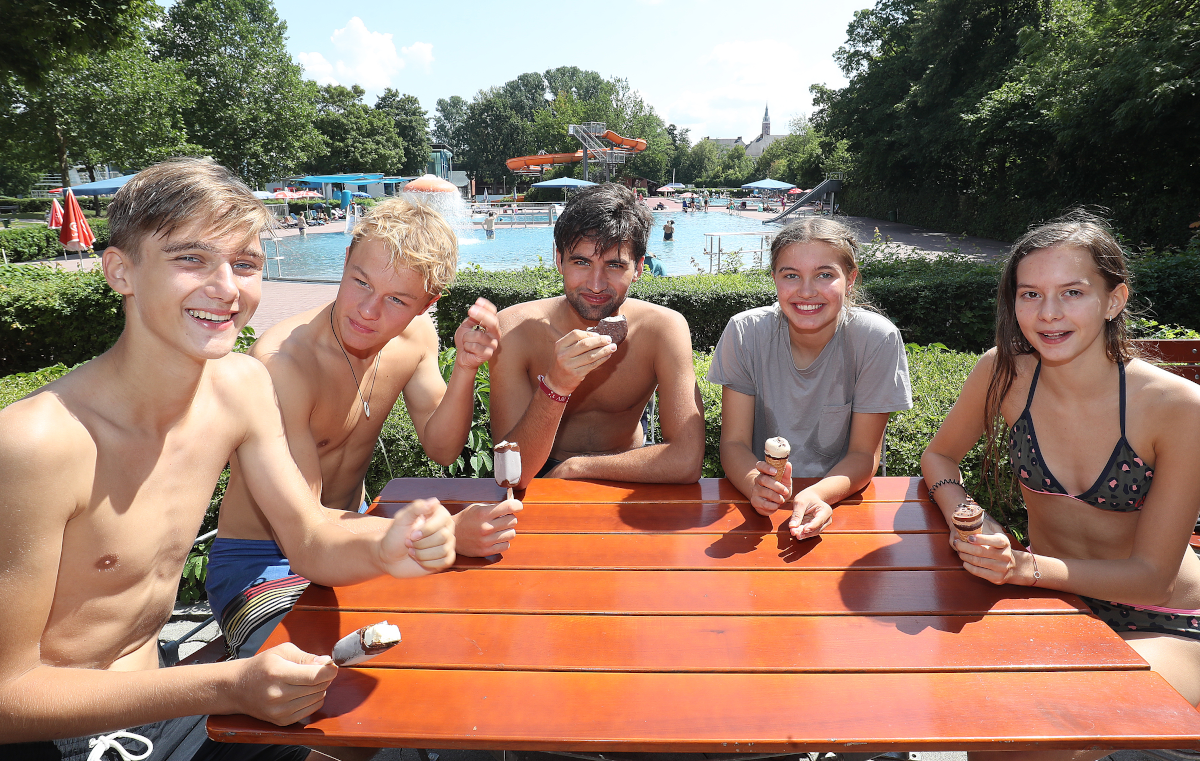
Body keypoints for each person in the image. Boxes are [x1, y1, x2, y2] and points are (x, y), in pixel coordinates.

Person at [0, 158, 456, 759]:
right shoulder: (36, 443)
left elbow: (311, 536)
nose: (226, 288)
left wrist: (390, 542)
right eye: (191, 259)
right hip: (56, 735)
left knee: (396, 730)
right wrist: (227, 684)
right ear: (120, 271)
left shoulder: (239, 386)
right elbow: (9, 696)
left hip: (162, 698)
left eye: (245, 264)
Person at [921, 212, 1200, 759]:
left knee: (1049, 729)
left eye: (1072, 292)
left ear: (1114, 299)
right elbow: (939, 456)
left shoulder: (1176, 408)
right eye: (1030, 294)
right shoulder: (1003, 372)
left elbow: (1149, 580)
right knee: (989, 726)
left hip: (1172, 621)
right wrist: (969, 516)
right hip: (1060, 602)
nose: (1048, 313)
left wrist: (1023, 567)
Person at [209, 196, 516, 660]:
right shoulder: (284, 366)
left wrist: (467, 369)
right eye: (360, 282)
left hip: (351, 537)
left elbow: (442, 448)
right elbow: (305, 532)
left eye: (396, 299)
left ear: (426, 305)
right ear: (346, 259)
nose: (369, 311)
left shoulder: (415, 338)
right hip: (262, 564)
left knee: (458, 640)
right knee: (346, 671)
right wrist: (445, 533)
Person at [708, 217, 912, 540]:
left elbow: (863, 455)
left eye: (824, 275)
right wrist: (754, 484)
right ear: (774, 278)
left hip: (843, 505)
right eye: (791, 275)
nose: (806, 291)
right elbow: (733, 443)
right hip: (758, 512)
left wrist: (820, 493)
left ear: (850, 279)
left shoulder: (877, 340)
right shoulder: (744, 334)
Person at [490, 183, 705, 486]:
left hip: (633, 468)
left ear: (640, 268)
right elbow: (510, 474)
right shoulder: (514, 330)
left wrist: (576, 468)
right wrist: (555, 387)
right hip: (536, 473)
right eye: (581, 262)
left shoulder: (662, 329)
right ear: (558, 259)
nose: (595, 284)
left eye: (614, 265)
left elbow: (686, 460)